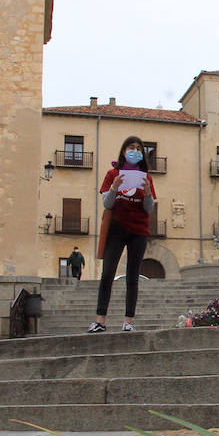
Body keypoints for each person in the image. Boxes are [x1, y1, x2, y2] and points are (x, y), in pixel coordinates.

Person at [89, 136, 157, 333]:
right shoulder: (113, 174)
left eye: (138, 148)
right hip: (116, 229)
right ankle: (100, 321)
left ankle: (128, 322)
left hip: (139, 231)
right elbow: (107, 203)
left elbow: (149, 208)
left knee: (133, 277)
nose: (135, 151)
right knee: (107, 273)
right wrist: (114, 187)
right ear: (124, 150)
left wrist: (147, 194)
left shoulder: (147, 178)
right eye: (131, 147)